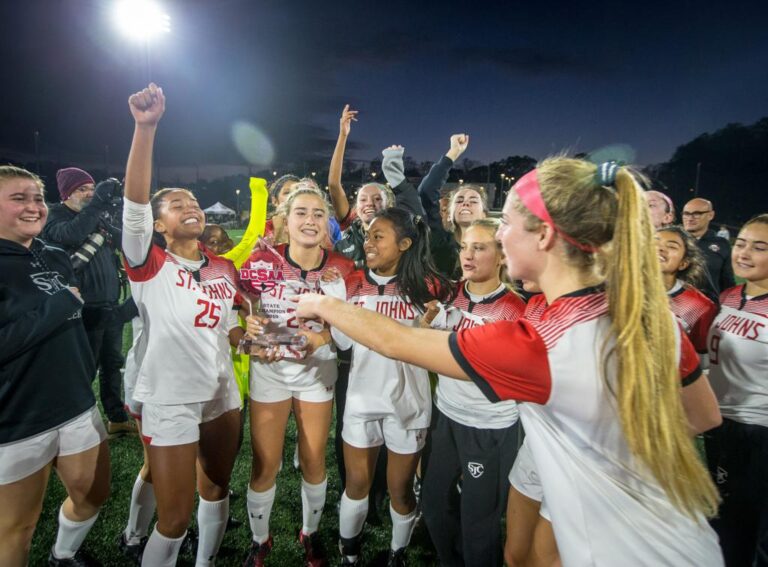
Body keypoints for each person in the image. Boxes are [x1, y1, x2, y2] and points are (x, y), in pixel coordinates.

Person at [294, 158, 725, 566]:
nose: (499, 236)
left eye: (507, 225)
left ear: (545, 237)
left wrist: (322, 304)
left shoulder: (542, 341)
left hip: (625, 549)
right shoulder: (642, 310)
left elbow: (396, 340)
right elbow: (702, 414)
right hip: (672, 531)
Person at [122, 83, 245, 567]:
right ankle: (140, 539)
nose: (190, 206)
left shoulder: (223, 267)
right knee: (173, 519)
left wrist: (251, 337)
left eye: (193, 199)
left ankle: (207, 560)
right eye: (175, 204)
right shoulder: (146, 262)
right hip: (168, 396)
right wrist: (145, 128)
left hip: (220, 391)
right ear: (157, 225)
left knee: (215, 485)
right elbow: (134, 206)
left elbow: (230, 326)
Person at [0, 165, 110, 566]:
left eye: (36, 198)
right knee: (17, 529)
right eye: (18, 198)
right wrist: (59, 304)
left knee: (93, 495)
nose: (33, 207)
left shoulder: (55, 255)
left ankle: (62, 555)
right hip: (17, 416)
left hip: (77, 401)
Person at [330, 207, 452, 566]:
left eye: (377, 236)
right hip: (362, 398)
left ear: (404, 244)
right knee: (356, 485)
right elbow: (343, 343)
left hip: (409, 402)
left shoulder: (429, 286)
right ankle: (349, 553)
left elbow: (435, 345)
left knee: (400, 491)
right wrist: (336, 305)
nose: (368, 243)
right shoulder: (352, 281)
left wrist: (433, 323)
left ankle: (397, 553)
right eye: (367, 235)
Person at [238, 186, 354, 566]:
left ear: (327, 223)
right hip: (270, 372)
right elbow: (244, 309)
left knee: (313, 459)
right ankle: (260, 540)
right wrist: (251, 325)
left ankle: (310, 533)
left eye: (318, 214)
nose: (310, 220)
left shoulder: (343, 268)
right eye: (301, 212)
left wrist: (319, 337)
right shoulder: (260, 260)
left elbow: (349, 330)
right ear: (285, 221)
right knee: (265, 463)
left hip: (316, 371)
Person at [419, 218, 525, 567]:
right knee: (434, 505)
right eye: (465, 246)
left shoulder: (516, 309)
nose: (468, 254)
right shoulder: (449, 294)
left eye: (479, 247)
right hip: (446, 417)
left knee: (478, 521)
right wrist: (428, 328)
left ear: (501, 256)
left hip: (490, 426)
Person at [42, 167, 135, 435]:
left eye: (92, 188)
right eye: (82, 189)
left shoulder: (97, 216)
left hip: (109, 305)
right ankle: (76, 424)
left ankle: (116, 417)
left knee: (112, 363)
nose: (89, 194)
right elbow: (70, 235)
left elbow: (125, 239)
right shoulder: (54, 214)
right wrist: (96, 204)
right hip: (79, 309)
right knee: (85, 368)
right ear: (66, 194)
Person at [705, 213, 768, 566]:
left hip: (759, 432)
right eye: (741, 243)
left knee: (752, 532)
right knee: (724, 521)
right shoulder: (729, 295)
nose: (744, 253)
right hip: (721, 422)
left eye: (759, 247)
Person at [656, 226, 718, 364]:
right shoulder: (620, 289)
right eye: (654, 242)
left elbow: (702, 360)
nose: (659, 248)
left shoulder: (700, 307)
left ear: (683, 263)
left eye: (672, 246)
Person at [418, 134, 472, 276]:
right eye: (459, 200)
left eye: (473, 200)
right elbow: (426, 192)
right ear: (450, 213)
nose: (465, 203)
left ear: (485, 213)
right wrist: (453, 153)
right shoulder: (440, 239)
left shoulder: (497, 245)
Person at [682, 198, 735, 303]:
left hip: (709, 309)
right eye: (686, 214)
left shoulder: (722, 244)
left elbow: (727, 281)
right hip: (673, 309)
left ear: (710, 215)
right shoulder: (674, 241)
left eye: (696, 214)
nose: (690, 218)